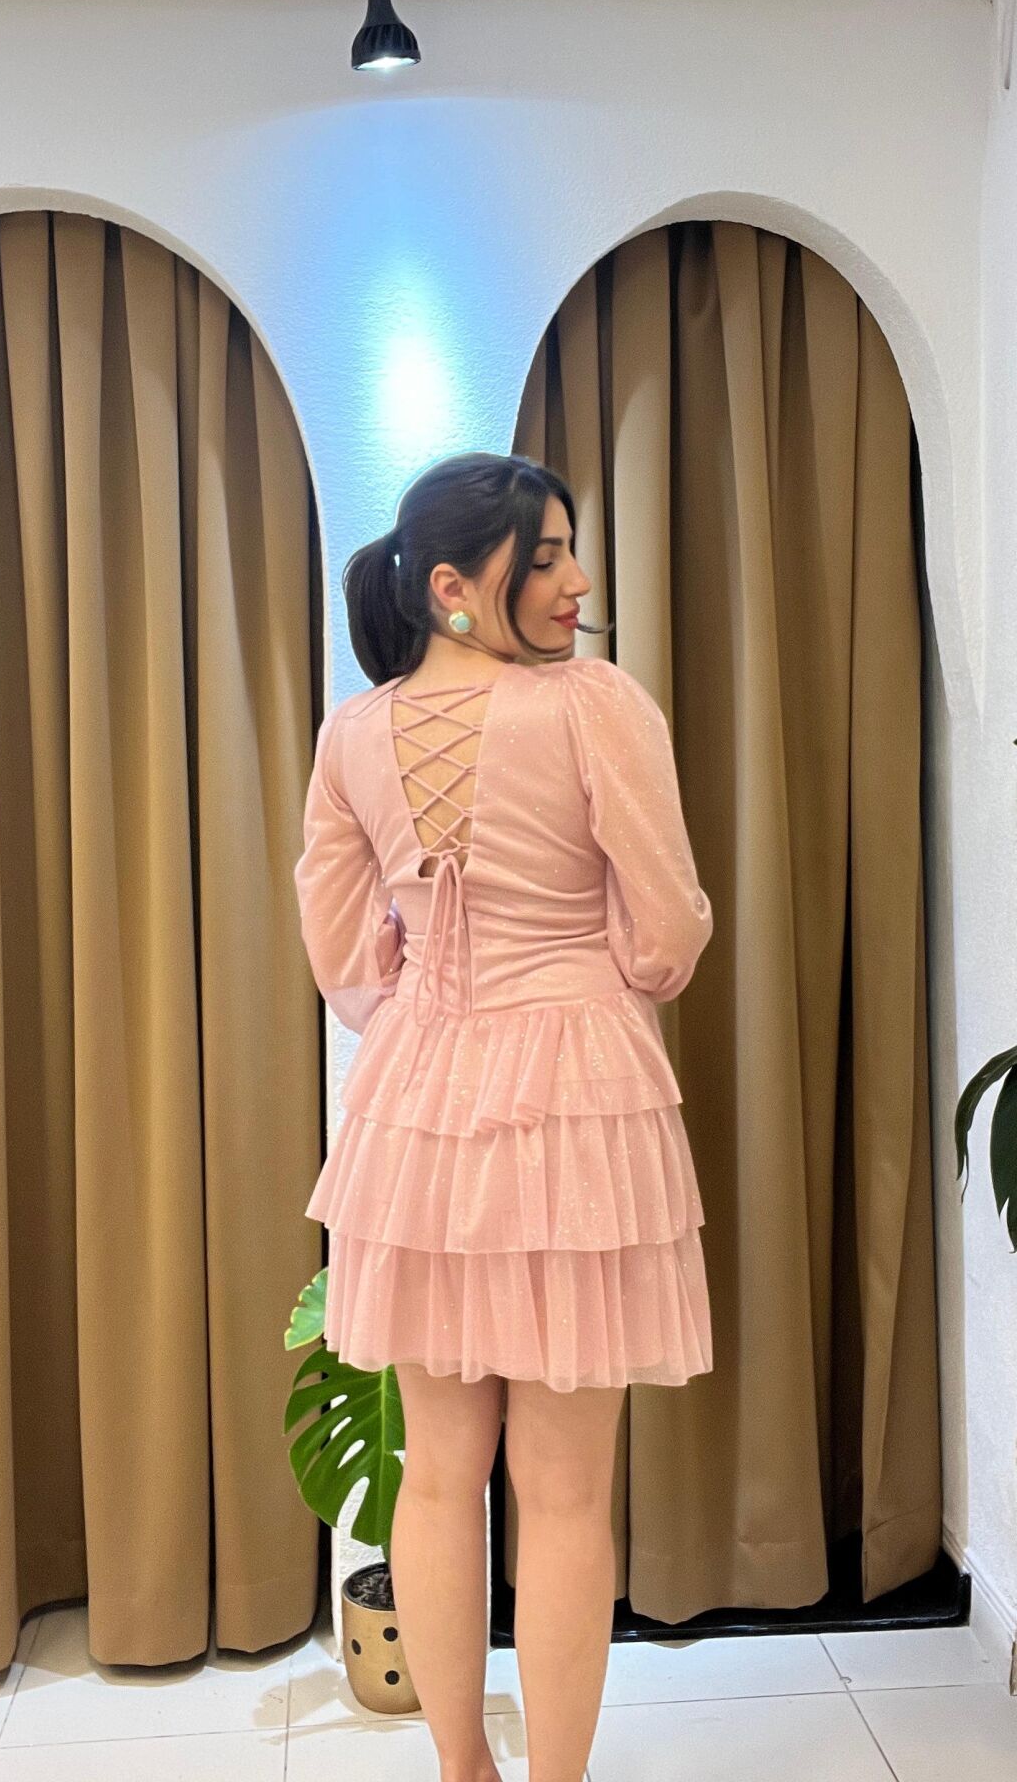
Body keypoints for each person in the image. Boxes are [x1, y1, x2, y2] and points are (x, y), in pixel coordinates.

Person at [293, 451, 714, 1782]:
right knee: (569, 1492)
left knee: (435, 1474)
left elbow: (343, 955)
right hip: (580, 1097)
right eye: (545, 557)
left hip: (420, 1108)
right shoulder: (594, 704)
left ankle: (461, 1769)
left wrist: (421, 1000)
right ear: (451, 587)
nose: (578, 579)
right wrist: (607, 972)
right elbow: (669, 930)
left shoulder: (354, 735)